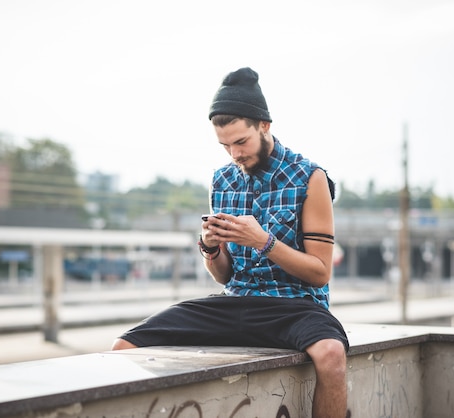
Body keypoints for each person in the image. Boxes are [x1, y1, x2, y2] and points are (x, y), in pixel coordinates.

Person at [112, 67, 349, 417]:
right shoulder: (222, 180)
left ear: (264, 126)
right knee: (124, 346)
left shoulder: (309, 178)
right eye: (225, 146)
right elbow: (225, 276)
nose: (234, 154)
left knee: (331, 355)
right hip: (236, 302)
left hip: (296, 307)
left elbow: (319, 273)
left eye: (241, 142)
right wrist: (211, 248)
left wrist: (263, 241)